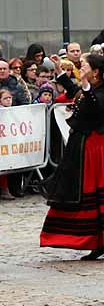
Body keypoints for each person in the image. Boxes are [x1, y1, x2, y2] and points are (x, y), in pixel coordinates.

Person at [41, 54, 104, 260]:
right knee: (75, 190)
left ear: (95, 71)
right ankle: (94, 240)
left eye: (85, 65)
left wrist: (85, 85)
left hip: (95, 148)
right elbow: (74, 91)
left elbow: (96, 107)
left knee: (92, 192)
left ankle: (99, 240)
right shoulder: (89, 89)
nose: (81, 66)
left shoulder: (99, 91)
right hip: (82, 146)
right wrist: (59, 71)